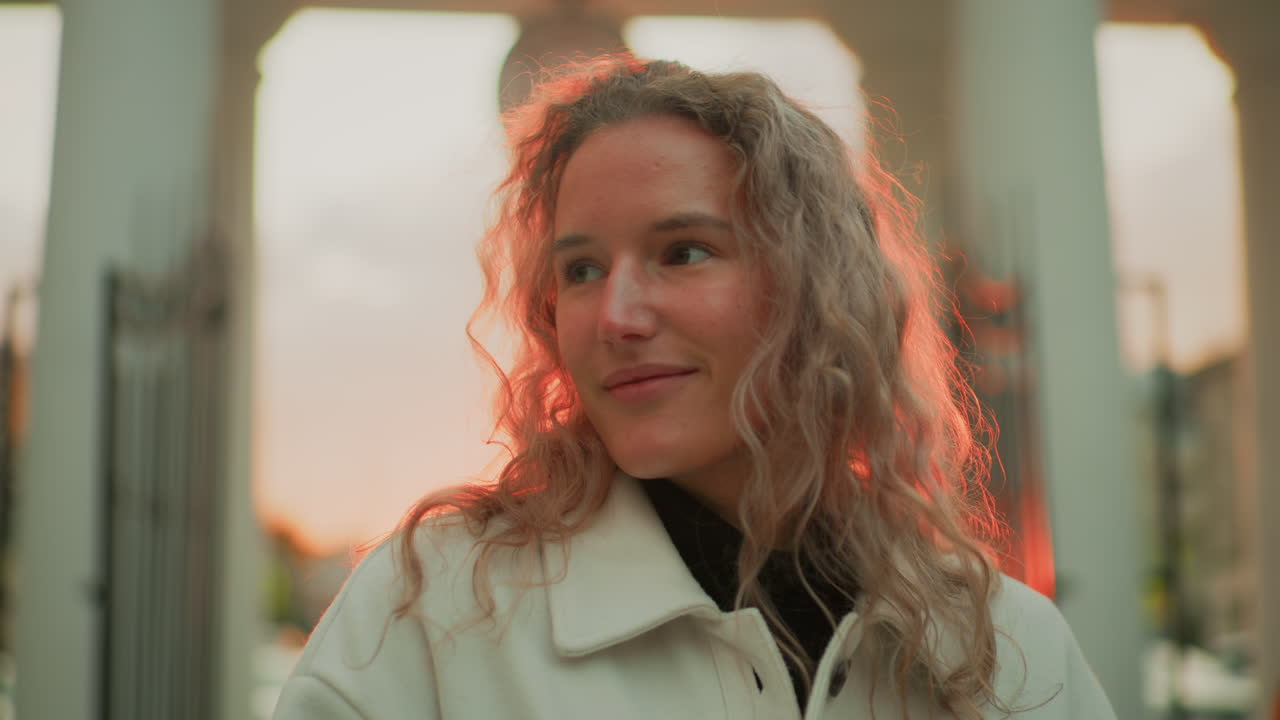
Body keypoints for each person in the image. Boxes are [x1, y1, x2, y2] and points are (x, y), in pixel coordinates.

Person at [273, 56, 1116, 720]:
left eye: (682, 252)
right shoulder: (434, 612)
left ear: (812, 288)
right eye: (581, 269)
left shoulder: (1010, 649)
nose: (616, 316)